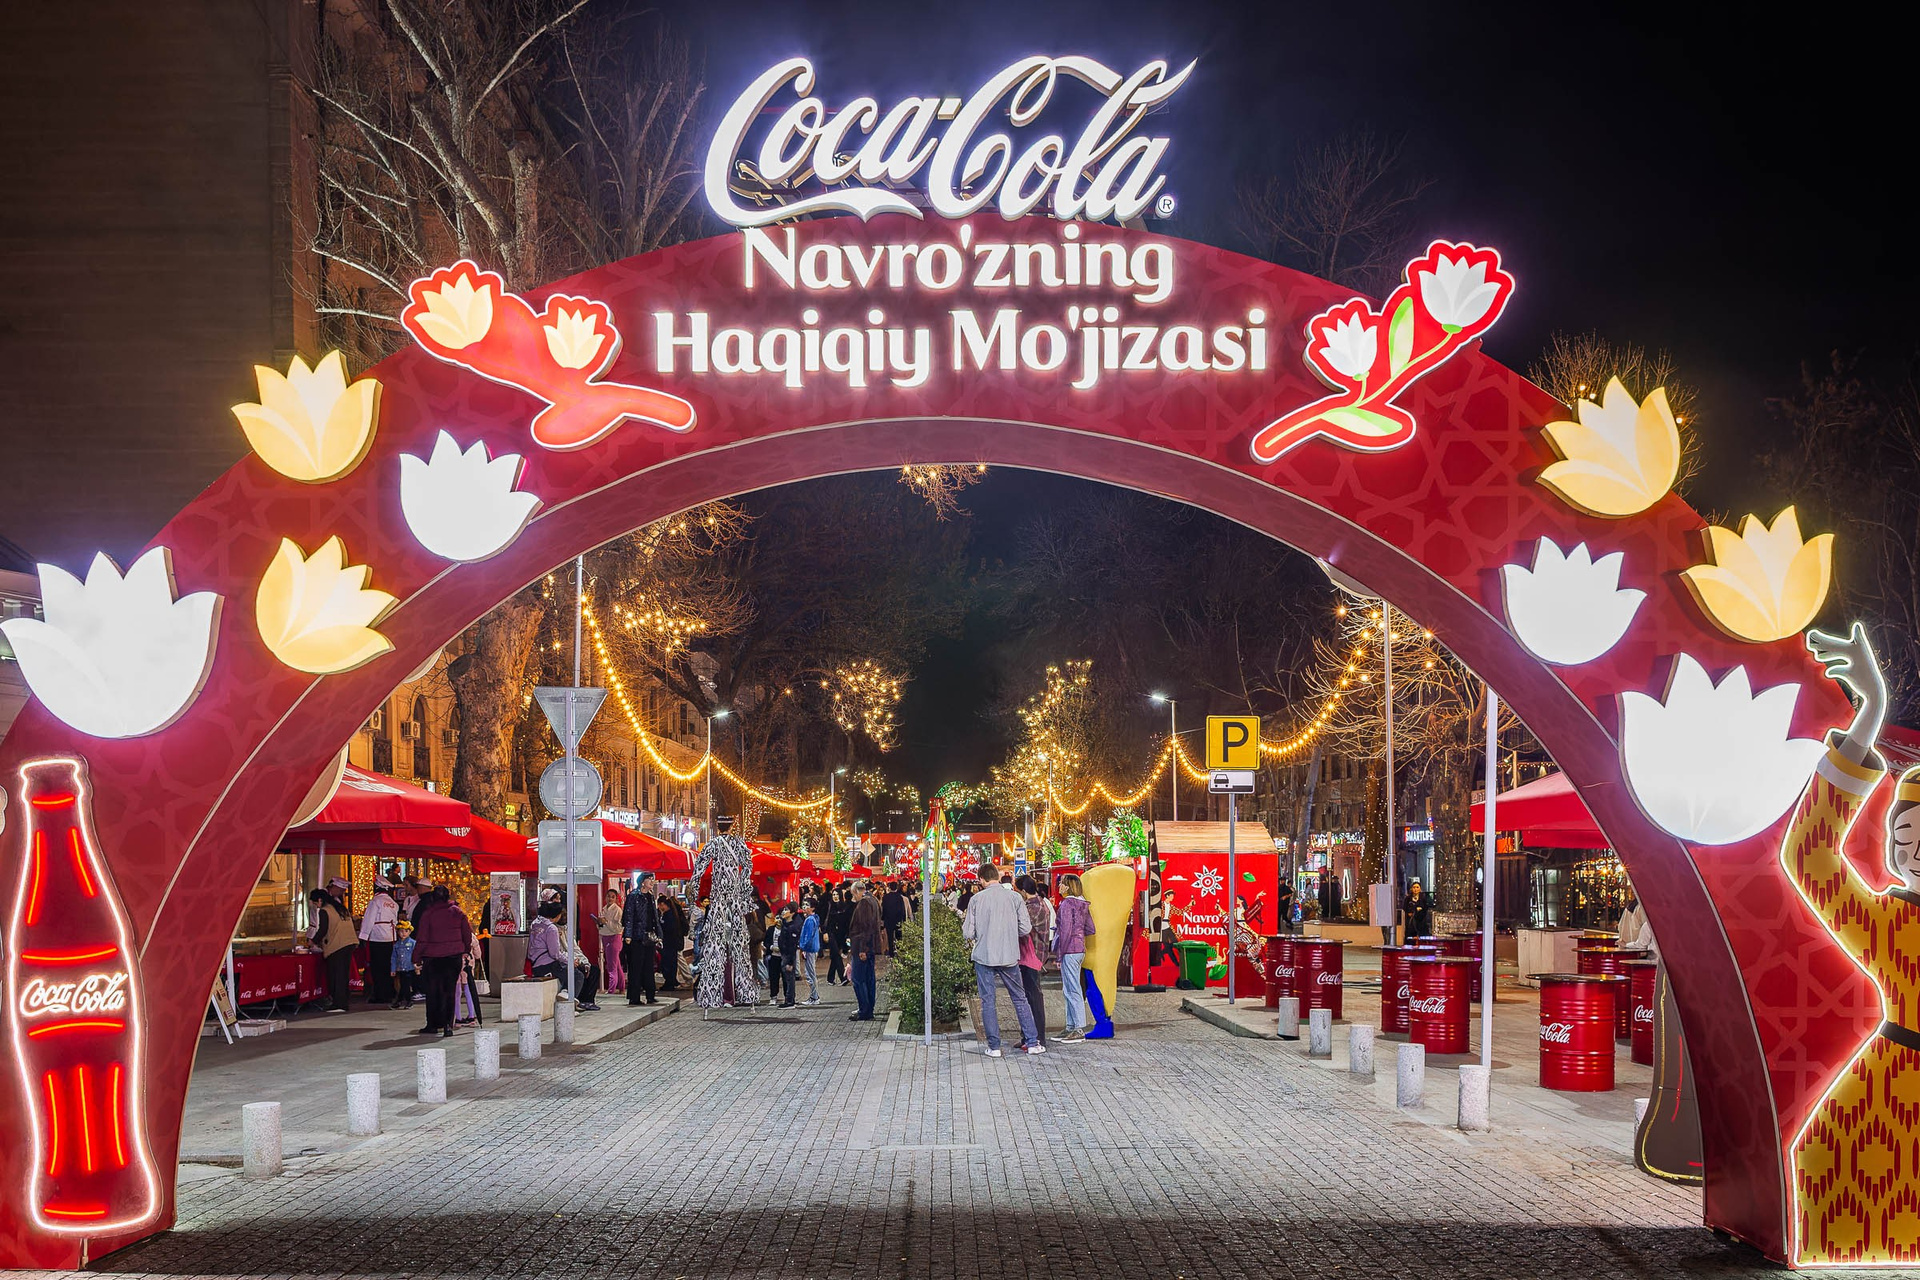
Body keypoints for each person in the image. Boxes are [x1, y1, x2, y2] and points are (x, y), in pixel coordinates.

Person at [962, 862, 1041, 1056]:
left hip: (984, 956)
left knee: (988, 1001)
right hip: (1009, 955)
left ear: (981, 879)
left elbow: (968, 933)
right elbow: (1025, 928)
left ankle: (994, 1047)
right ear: (997, 877)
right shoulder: (1014, 897)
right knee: (1020, 998)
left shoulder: (976, 900)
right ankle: (1032, 1043)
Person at [412, 883, 477, 1036]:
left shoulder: (428, 914)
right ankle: (448, 1025)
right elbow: (466, 934)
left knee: (433, 992)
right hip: (453, 957)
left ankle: (433, 1025)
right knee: (449, 991)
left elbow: (422, 938)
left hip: (433, 958)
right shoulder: (457, 912)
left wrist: (416, 957)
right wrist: (465, 951)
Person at [527, 900, 601, 1012]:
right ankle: (568, 1002)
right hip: (547, 965)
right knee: (577, 975)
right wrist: (570, 961)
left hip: (536, 964)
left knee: (582, 970)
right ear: (557, 915)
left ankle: (570, 996)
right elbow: (555, 953)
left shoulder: (536, 923)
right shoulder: (551, 928)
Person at [1054, 873, 1095, 1042]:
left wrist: (1058, 955)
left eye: (1061, 883)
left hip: (1069, 950)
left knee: (1072, 989)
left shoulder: (1066, 904)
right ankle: (1071, 1026)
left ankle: (1077, 1028)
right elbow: (1091, 928)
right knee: (1071, 988)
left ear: (1067, 886)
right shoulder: (1082, 904)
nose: (1059, 886)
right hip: (1079, 949)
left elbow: (1065, 932)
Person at [1013, 876, 1052, 1048]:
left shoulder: (1032, 907)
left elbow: (1021, 928)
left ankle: (1037, 1038)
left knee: (1033, 998)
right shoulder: (1040, 903)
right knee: (1029, 996)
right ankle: (1029, 1036)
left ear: (1023, 891)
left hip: (1032, 956)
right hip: (1032, 955)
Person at [307, 887, 356, 1013]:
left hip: (338, 945)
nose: (316, 906)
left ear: (320, 900)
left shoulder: (325, 910)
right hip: (349, 942)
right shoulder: (339, 907)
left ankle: (339, 1004)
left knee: (336, 975)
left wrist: (313, 941)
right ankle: (343, 1002)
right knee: (343, 974)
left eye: (315, 903)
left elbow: (323, 929)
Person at [358, 878, 399, 1005]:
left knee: (377, 968)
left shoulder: (375, 901)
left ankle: (381, 994)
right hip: (390, 937)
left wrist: (363, 936)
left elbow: (368, 920)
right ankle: (390, 991)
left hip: (377, 937)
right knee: (388, 966)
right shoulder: (393, 903)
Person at [621, 878, 660, 1006]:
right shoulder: (634, 896)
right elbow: (628, 916)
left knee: (649, 966)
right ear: (642, 882)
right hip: (636, 936)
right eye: (649, 880)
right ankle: (634, 997)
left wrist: (659, 933)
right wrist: (628, 934)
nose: (652, 882)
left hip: (649, 936)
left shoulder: (650, 897)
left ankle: (650, 995)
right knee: (636, 967)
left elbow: (654, 917)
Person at [847, 884, 883, 1021]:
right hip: (871, 946)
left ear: (857, 891)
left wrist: (863, 949)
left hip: (862, 947)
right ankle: (868, 1009)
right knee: (869, 979)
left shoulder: (864, 903)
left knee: (858, 979)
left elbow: (864, 927)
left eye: (853, 894)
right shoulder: (873, 900)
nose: (853, 898)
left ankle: (864, 1009)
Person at [598, 888, 626, 994]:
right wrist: (599, 923)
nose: (610, 898)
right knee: (616, 964)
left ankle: (611, 989)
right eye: (608, 896)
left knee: (611, 966)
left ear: (616, 899)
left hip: (614, 938)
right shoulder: (604, 909)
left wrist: (606, 922)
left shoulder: (618, 910)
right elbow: (600, 927)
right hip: (605, 937)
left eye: (612, 897)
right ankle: (622, 987)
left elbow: (619, 928)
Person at [771, 904, 799, 1007]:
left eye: (786, 910)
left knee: (789, 979)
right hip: (783, 955)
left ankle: (790, 1001)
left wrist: (790, 962)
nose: (783, 912)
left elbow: (792, 945)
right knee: (787, 978)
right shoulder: (785, 925)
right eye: (783, 910)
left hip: (788, 956)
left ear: (792, 913)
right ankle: (788, 999)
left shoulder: (792, 927)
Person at [657, 892, 687, 991]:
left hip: (669, 943)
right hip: (672, 943)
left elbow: (667, 929)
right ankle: (672, 981)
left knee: (668, 963)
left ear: (663, 904)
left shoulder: (668, 915)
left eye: (659, 905)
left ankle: (670, 983)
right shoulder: (671, 914)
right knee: (672, 963)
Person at [796, 899, 822, 1006]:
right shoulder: (813, 918)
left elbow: (808, 936)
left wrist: (802, 946)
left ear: (813, 908)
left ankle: (814, 997)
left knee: (810, 973)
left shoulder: (810, 920)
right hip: (811, 948)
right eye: (804, 905)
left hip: (810, 949)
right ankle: (814, 996)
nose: (804, 907)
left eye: (807, 905)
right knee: (810, 973)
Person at [388, 919, 418, 1009]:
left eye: (406, 931)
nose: (403, 933)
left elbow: (417, 955)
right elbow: (393, 958)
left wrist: (417, 966)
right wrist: (393, 969)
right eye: (401, 931)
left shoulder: (413, 943)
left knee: (406, 985)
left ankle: (406, 1000)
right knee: (403, 985)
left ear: (410, 932)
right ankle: (401, 1001)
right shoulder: (396, 945)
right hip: (401, 968)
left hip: (410, 968)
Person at [881, 880, 909, 955]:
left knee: (890, 937)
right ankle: (899, 951)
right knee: (899, 936)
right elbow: (902, 909)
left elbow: (883, 909)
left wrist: (882, 919)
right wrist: (904, 919)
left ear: (890, 888)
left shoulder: (885, 897)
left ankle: (891, 952)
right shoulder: (899, 897)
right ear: (896, 888)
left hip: (888, 920)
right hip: (898, 920)